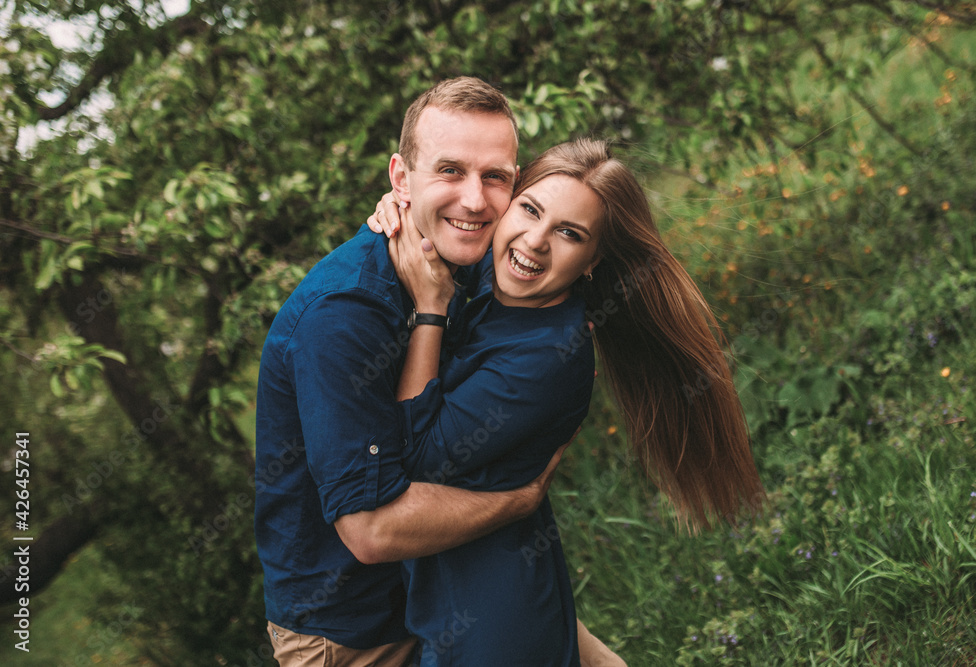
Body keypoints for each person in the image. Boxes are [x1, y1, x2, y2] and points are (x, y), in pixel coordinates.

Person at [372, 138, 766, 664]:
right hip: (469, 598)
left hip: (488, 629)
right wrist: (401, 202)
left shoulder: (549, 358)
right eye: (531, 210)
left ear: (592, 261)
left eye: (569, 233)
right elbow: (445, 219)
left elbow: (412, 457)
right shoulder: (498, 277)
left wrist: (429, 309)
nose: (534, 241)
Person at [255, 77, 570, 665]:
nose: (475, 199)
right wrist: (519, 500)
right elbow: (370, 533)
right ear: (401, 179)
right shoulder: (341, 318)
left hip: (450, 586)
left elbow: (575, 247)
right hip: (354, 631)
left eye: (495, 176)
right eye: (449, 171)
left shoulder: (475, 257)